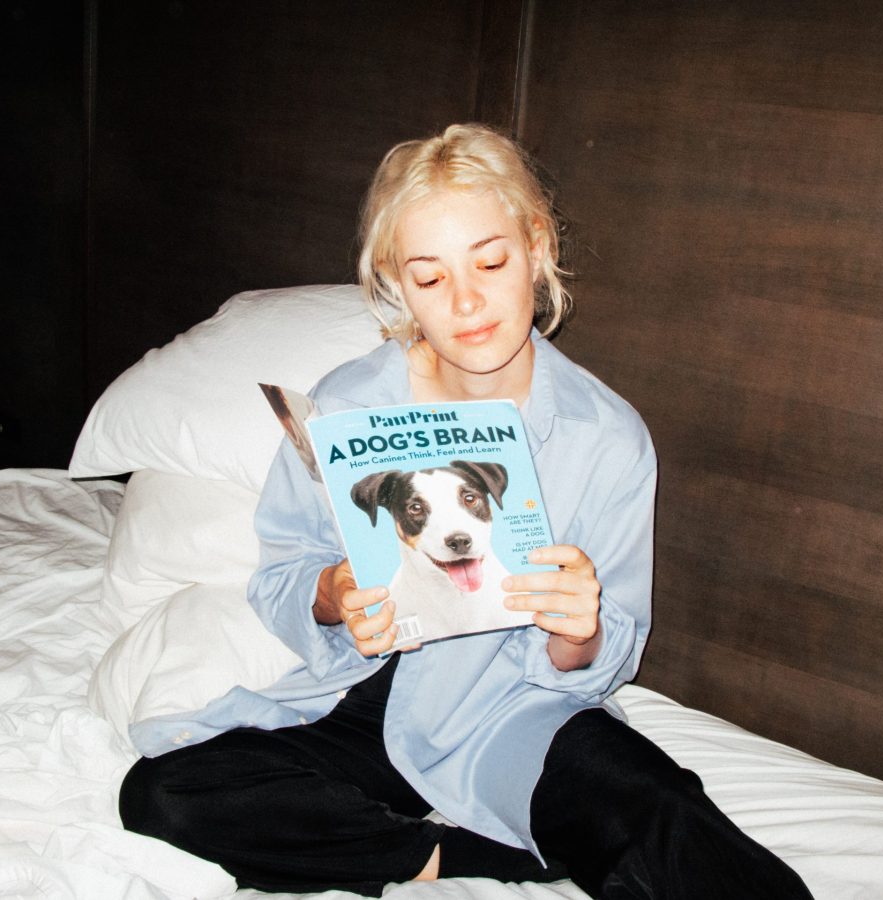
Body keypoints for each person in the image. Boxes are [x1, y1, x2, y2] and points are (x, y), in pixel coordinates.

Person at [119, 123, 813, 899]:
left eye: (490, 261)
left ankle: (494, 836)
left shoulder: (605, 436)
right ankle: (449, 857)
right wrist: (332, 594)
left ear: (537, 246)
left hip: (513, 710)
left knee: (659, 813)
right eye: (429, 277)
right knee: (163, 791)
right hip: (364, 705)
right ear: (396, 282)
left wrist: (577, 631)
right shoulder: (349, 404)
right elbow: (282, 571)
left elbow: (611, 651)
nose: (466, 301)